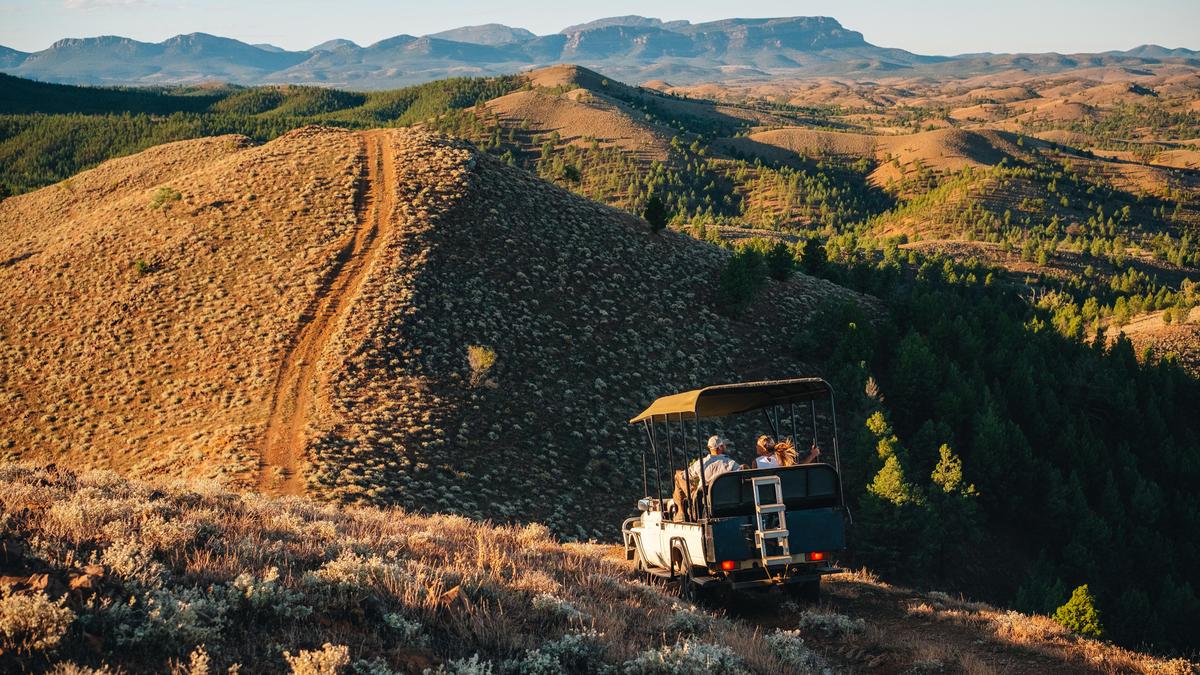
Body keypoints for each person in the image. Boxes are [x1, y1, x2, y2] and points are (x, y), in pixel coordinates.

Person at [670, 435, 740, 521]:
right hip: (726, 500)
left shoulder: (701, 463)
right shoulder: (732, 464)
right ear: (720, 447)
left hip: (702, 502)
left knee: (678, 475)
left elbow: (684, 476)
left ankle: (681, 512)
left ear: (709, 448)